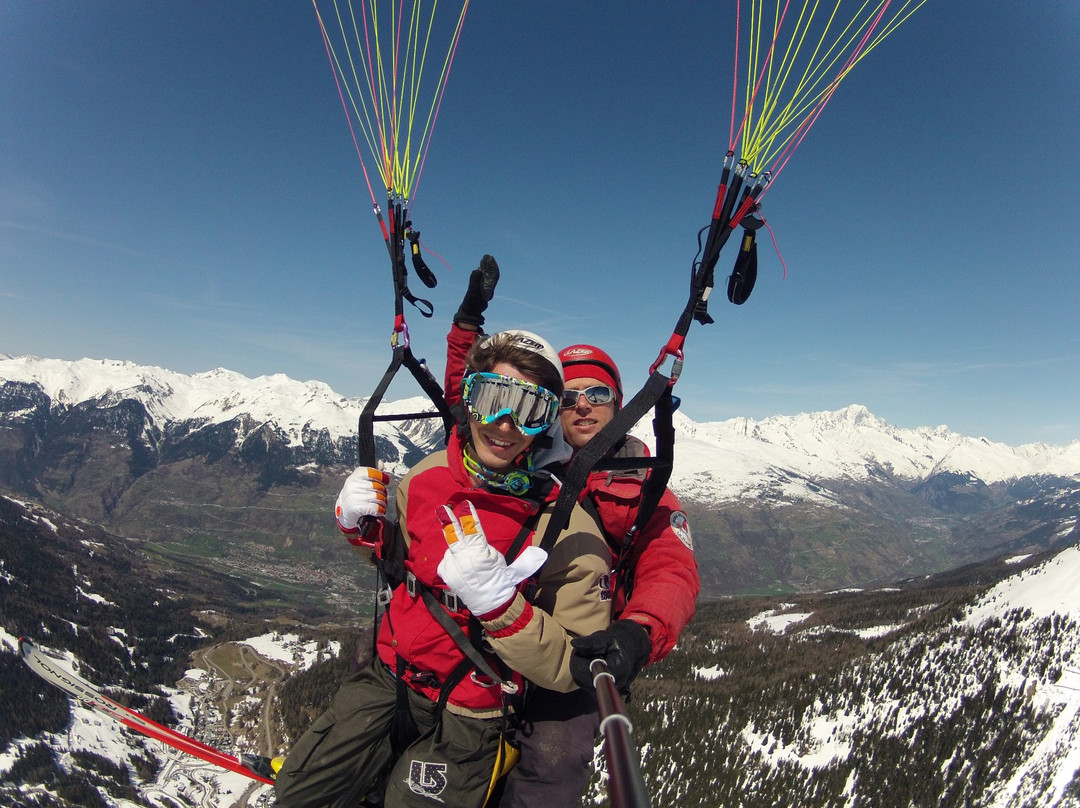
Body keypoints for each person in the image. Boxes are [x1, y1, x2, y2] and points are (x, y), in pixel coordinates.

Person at [274, 329, 612, 808]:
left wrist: (501, 607)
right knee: (295, 796)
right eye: (491, 397)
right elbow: (405, 566)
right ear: (469, 399)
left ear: (547, 424)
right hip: (390, 679)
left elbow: (572, 665)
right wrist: (362, 529)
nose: (505, 423)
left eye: (529, 409)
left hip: (472, 712)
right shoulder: (426, 477)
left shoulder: (567, 530)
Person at [446, 257, 700, 808]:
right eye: (567, 397)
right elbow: (467, 398)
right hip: (502, 621)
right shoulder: (523, 451)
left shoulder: (643, 484)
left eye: (598, 394)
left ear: (620, 405)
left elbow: (671, 567)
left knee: (553, 762)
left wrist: (639, 631)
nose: (582, 405)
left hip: (581, 649)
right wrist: (468, 322)